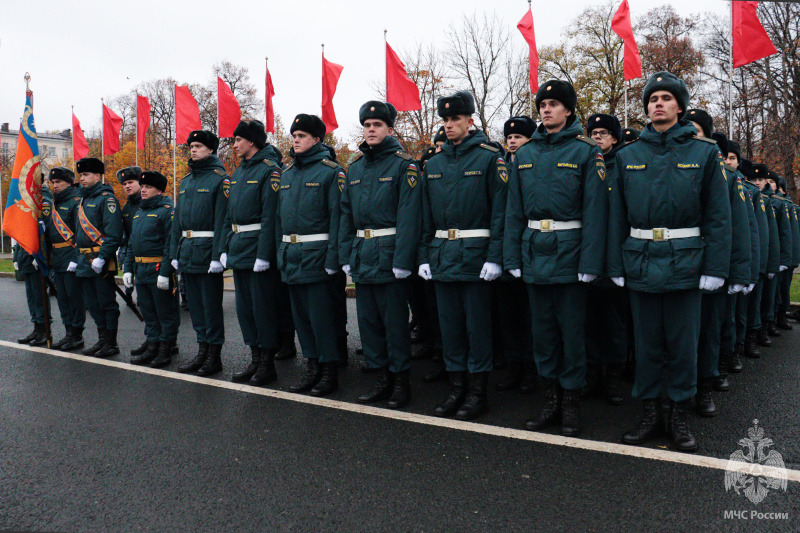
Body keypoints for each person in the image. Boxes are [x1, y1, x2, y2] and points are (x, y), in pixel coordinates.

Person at [608, 72, 731, 452]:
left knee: (681, 345)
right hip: (641, 261)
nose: (657, 103)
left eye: (665, 98)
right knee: (645, 345)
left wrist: (716, 269)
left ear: (679, 105)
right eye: (652, 98)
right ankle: (650, 413)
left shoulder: (704, 153)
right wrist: (614, 265)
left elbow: (718, 217)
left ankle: (677, 415)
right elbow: (616, 217)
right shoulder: (628, 156)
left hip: (686, 262)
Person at [504, 81, 608, 436]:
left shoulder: (586, 151)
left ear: (568, 110)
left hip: (571, 252)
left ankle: (571, 403)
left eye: (553, 104)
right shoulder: (527, 153)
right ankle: (550, 398)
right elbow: (513, 210)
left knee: (571, 333)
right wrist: (512, 255)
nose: (546, 109)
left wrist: (591, 263)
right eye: (543, 104)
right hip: (535, 252)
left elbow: (596, 212)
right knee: (543, 334)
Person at [418, 90, 507, 421]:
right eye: (446, 119)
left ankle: (477, 392)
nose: (450, 124)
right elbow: (426, 215)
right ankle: (456, 388)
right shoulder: (435, 164)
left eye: (456, 118)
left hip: (476, 257)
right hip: (442, 256)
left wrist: (495, 256)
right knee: (450, 328)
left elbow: (500, 212)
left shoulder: (489, 158)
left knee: (477, 329)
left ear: (471, 121)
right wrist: (424, 256)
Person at [339, 101, 421, 409]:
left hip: (390, 255)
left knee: (395, 324)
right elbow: (346, 214)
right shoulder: (356, 168)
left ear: (390, 129)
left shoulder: (404, 165)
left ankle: (401, 382)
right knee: (369, 323)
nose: (370, 130)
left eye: (377, 125)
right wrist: (346, 254)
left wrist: (403, 260)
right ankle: (381, 378)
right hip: (363, 254)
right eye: (367, 125)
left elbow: (410, 216)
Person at [276, 114, 343, 397]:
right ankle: (312, 367)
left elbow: (337, 219)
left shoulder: (331, 172)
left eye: (302, 135)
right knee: (302, 319)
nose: (296, 140)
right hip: (292, 256)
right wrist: (281, 254)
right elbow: (280, 220)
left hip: (318, 256)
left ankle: (329, 372)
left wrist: (333, 259)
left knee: (321, 319)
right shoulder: (287, 175)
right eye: (294, 135)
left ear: (317, 140)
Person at [222, 119, 283, 386]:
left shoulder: (270, 170)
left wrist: (264, 253)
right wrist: (225, 246)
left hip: (258, 248)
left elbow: (271, 216)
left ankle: (268, 363)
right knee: (245, 310)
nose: (234, 145)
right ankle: (255, 358)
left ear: (252, 142)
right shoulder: (238, 173)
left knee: (264, 310)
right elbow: (229, 215)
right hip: (239, 248)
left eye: (238, 140)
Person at [171, 130, 230, 376]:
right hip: (188, 252)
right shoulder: (186, 181)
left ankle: (214, 356)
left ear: (211, 149)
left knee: (211, 307)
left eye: (198, 146)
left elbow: (223, 221)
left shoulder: (220, 179)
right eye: (191, 146)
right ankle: (202, 351)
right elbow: (178, 221)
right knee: (195, 307)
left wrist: (218, 256)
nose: (193, 150)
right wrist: (175, 251)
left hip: (207, 254)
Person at [583, 112, 630, 406]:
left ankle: (613, 378)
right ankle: (592, 375)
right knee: (589, 322)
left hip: (617, 252)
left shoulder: (622, 165)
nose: (598, 137)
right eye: (593, 132)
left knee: (615, 323)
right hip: (588, 252)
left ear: (615, 138)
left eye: (603, 133)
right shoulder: (585, 163)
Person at [494, 115, 537, 394]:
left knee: (529, 317)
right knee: (507, 316)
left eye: (519, 137)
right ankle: (513, 365)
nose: (512, 141)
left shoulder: (534, 166)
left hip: (530, 251)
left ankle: (530, 369)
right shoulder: (498, 167)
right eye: (509, 137)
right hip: (502, 250)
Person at [123, 171, 179, 367]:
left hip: (157, 269)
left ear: (159, 190)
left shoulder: (166, 211)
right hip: (141, 269)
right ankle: (153, 344)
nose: (144, 190)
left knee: (165, 312)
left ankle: (166, 347)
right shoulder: (139, 213)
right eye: (143, 186)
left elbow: (170, 244)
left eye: (148, 187)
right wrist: (128, 268)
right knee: (148, 311)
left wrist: (165, 272)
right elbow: (131, 243)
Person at [74, 157, 123, 358]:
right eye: (81, 175)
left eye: (86, 175)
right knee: (92, 304)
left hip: (101, 260)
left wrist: (103, 257)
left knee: (106, 303)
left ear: (97, 176)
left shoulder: (106, 199)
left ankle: (111, 342)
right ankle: (102, 339)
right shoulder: (83, 199)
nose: (82, 178)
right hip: (85, 262)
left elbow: (113, 234)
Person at [721, 144, 760, 379]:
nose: (727, 161)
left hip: (733, 261)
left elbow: (752, 234)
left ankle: (731, 353)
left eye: (732, 158)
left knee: (733, 316)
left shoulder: (746, 190)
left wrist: (750, 272)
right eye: (724, 156)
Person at [42, 167, 86, 351]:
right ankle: (68, 332)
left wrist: (76, 258)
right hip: (58, 258)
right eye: (53, 183)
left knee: (74, 298)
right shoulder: (55, 203)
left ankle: (76, 335)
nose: (55, 186)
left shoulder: (76, 202)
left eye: (58, 182)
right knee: (62, 299)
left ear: (68, 182)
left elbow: (81, 233)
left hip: (71, 255)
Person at [117, 166, 146, 354]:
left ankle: (168, 343)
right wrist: (128, 267)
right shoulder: (126, 208)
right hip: (135, 258)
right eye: (124, 184)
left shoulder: (150, 201)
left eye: (130, 182)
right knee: (145, 304)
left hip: (154, 260)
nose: (127, 186)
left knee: (161, 306)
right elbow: (127, 240)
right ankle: (151, 339)